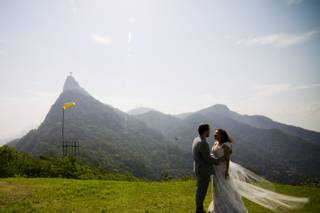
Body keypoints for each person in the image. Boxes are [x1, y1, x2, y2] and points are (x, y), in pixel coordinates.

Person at [208, 128, 309, 213]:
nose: (214, 135)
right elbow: (213, 153)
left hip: (222, 169)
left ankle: (228, 208)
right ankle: (218, 206)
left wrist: (226, 171)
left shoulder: (225, 145)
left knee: (226, 189)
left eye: (216, 134)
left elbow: (228, 159)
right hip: (216, 170)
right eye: (214, 134)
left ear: (222, 135)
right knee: (217, 188)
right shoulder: (216, 143)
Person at [192, 123, 225, 213]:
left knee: (200, 189)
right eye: (209, 130)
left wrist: (211, 155)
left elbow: (204, 155)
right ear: (205, 131)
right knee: (201, 191)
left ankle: (200, 209)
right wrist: (219, 160)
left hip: (198, 168)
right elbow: (208, 158)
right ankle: (199, 210)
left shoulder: (196, 139)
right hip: (203, 170)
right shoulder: (203, 143)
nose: (210, 132)